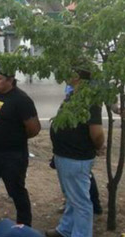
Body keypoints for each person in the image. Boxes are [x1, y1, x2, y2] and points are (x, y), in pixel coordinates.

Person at [0, 65, 41, 228]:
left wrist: (13, 138)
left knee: (16, 190)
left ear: (10, 80)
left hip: (12, 155)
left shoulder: (22, 100)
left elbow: (34, 128)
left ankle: (24, 223)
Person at [45, 69, 105, 237]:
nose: (65, 72)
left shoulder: (90, 100)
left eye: (70, 70)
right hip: (65, 155)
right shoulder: (74, 95)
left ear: (78, 76)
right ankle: (65, 230)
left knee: (81, 202)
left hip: (76, 158)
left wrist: (99, 146)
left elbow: (97, 133)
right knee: (72, 197)